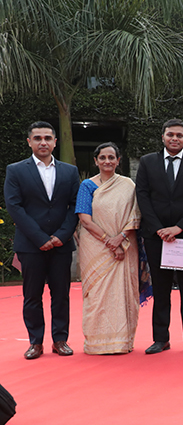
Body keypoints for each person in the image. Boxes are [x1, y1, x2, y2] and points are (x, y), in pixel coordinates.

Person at [4, 121, 80, 360]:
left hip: (61, 244)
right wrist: (39, 238)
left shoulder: (69, 171)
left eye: (48, 138)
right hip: (30, 245)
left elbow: (75, 206)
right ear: (29, 142)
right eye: (37, 138)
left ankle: (60, 340)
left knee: (61, 295)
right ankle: (35, 342)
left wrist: (61, 235)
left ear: (55, 141)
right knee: (32, 295)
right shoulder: (16, 170)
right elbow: (14, 207)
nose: (43, 142)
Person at [135, 119, 183, 355]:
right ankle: (161, 338)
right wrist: (159, 228)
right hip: (156, 237)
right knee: (161, 289)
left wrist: (178, 228)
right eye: (170, 135)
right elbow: (143, 197)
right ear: (163, 137)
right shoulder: (147, 162)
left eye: (179, 135)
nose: (174, 139)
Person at [75, 142, 144, 355]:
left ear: (118, 160)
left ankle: (122, 341)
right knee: (96, 295)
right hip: (95, 247)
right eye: (102, 158)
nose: (107, 161)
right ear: (95, 161)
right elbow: (84, 219)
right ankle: (96, 342)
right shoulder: (87, 185)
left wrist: (120, 238)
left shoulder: (128, 185)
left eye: (111, 157)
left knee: (123, 294)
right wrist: (109, 241)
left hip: (125, 244)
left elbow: (136, 216)